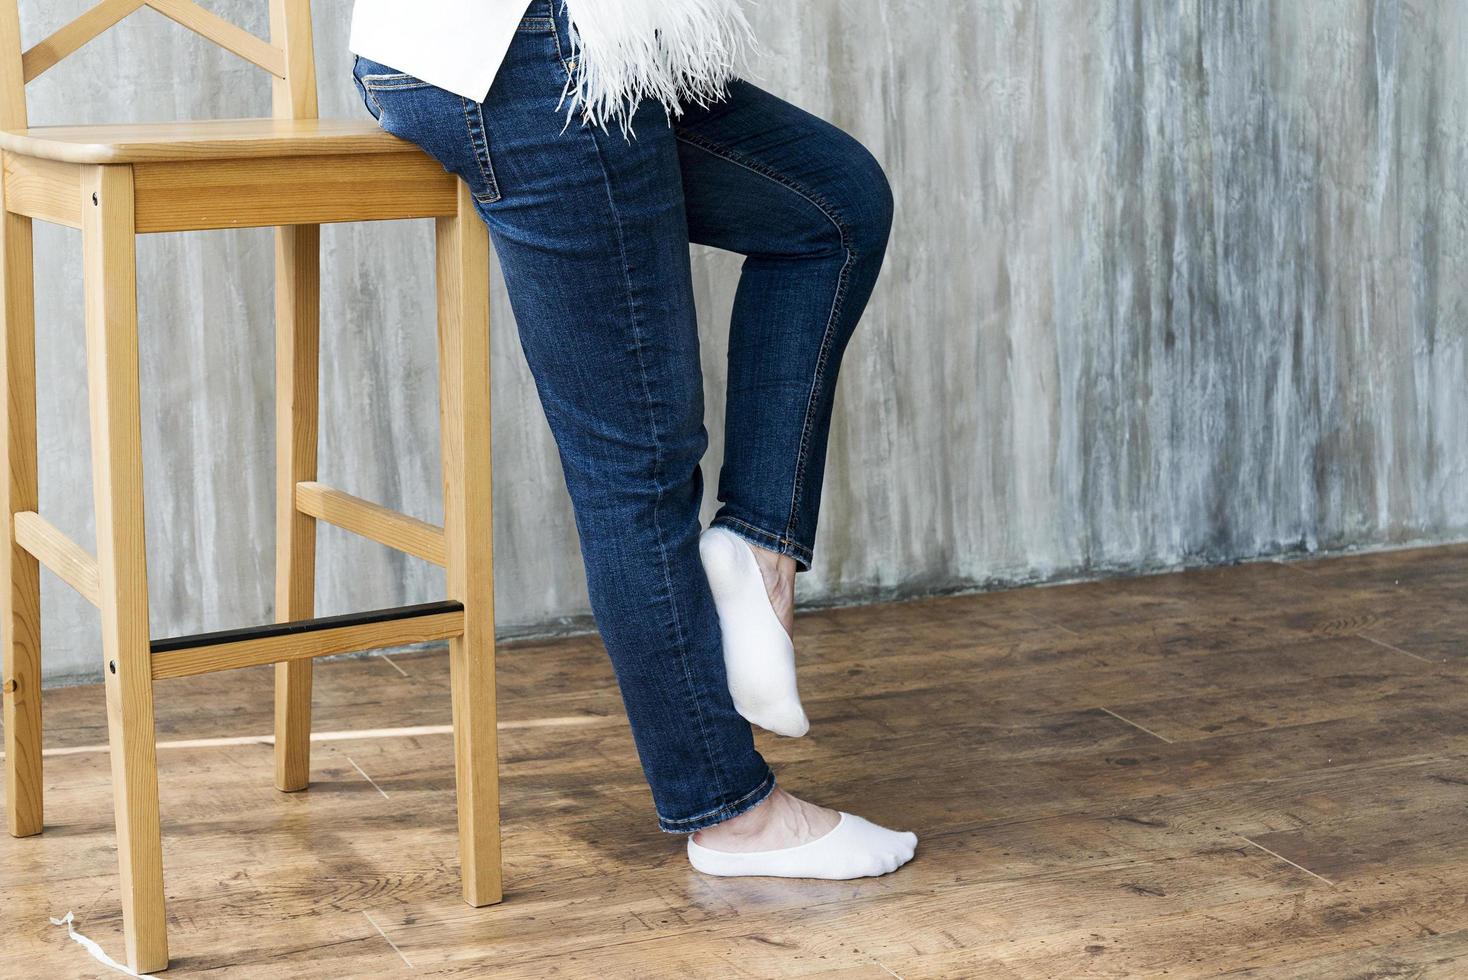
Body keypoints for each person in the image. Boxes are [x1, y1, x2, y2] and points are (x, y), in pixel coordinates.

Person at [348, 0, 917, 880]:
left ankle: (758, 548)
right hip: (527, 59)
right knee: (635, 465)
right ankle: (732, 814)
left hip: (483, 47)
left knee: (831, 205)